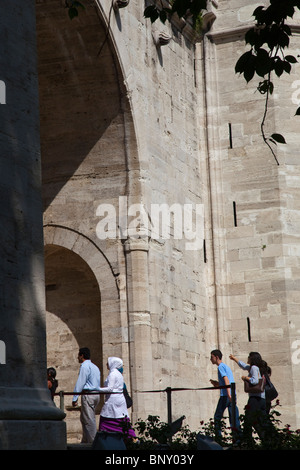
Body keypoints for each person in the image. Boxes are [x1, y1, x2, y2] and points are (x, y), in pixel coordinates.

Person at [229, 352, 273, 444]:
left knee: (248, 419)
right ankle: (270, 438)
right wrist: (234, 358)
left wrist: (245, 378)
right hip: (261, 398)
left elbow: (254, 381)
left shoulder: (254, 368)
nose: (247, 358)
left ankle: (247, 440)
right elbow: (244, 366)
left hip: (255, 399)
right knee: (262, 420)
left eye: (249, 357)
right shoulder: (256, 368)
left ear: (252, 358)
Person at [98, 357, 136, 440]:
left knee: (104, 421)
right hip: (118, 400)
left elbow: (110, 388)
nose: (106, 365)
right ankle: (132, 437)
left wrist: (96, 389)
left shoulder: (113, 374)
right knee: (122, 420)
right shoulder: (118, 373)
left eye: (108, 363)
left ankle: (103, 440)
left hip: (112, 401)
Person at [210, 349, 241, 441]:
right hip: (231, 394)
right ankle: (238, 439)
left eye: (212, 357)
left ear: (216, 357)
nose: (211, 359)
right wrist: (217, 384)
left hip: (226, 396)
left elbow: (226, 380)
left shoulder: (220, 367)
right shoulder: (226, 367)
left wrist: (228, 394)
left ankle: (218, 438)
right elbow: (226, 382)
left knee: (217, 417)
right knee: (234, 418)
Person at [72, 347, 101, 444]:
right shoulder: (95, 367)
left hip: (88, 394)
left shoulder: (85, 366)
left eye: (78, 355)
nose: (77, 357)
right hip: (96, 395)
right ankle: (85, 440)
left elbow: (80, 383)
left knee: (89, 419)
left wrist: (75, 397)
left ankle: (94, 443)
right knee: (85, 418)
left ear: (82, 355)